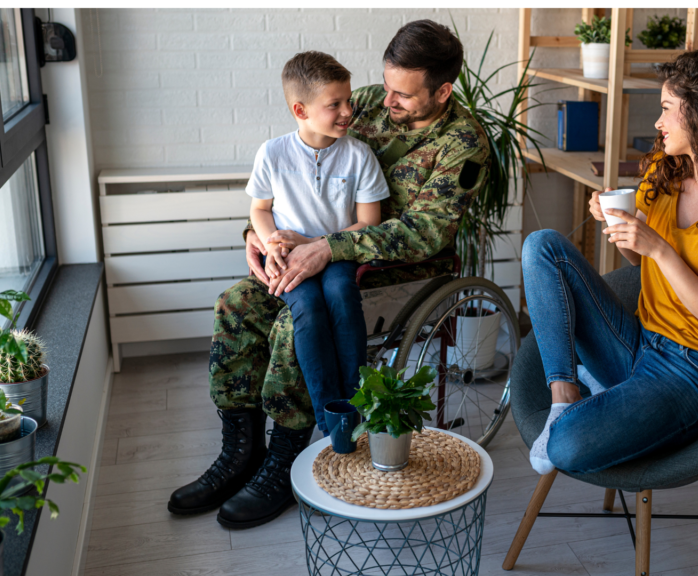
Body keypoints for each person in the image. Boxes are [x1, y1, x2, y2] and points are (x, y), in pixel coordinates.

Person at [167, 19, 490, 529]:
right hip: (315, 250)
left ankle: (285, 456)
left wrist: (329, 247)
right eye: (385, 87)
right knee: (235, 303)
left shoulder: (463, 143)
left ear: (442, 91)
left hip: (396, 269)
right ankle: (241, 452)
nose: (385, 103)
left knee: (293, 324)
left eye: (402, 95)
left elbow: (426, 233)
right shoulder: (361, 102)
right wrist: (258, 238)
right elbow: (292, 177)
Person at [523, 49, 698, 476]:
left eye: (668, 109)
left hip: (696, 370)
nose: (658, 122)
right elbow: (641, 263)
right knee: (542, 245)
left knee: (567, 447)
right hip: (639, 341)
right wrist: (624, 230)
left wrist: (658, 248)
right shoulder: (664, 170)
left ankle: (600, 401)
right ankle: (565, 397)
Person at [247, 51, 388, 440]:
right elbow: (260, 209)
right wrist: (271, 241)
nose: (348, 111)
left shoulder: (359, 155)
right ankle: (332, 423)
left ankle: (356, 404)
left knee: (342, 294)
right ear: (300, 109)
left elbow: (369, 223)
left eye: (349, 101)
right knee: (307, 307)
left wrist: (314, 242)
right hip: (291, 258)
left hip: (340, 254)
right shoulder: (273, 153)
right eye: (335, 104)